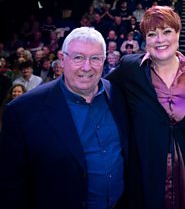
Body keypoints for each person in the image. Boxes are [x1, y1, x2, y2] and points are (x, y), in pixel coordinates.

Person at [0, 27, 129, 209]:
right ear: (62, 59)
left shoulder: (116, 94)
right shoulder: (22, 111)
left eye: (95, 58)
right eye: (78, 57)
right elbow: (11, 187)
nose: (87, 67)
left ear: (104, 60)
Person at [106, 5, 185, 209]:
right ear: (145, 40)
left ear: (178, 33)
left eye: (167, 31)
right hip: (146, 171)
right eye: (152, 34)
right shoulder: (130, 69)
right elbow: (101, 91)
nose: (160, 40)